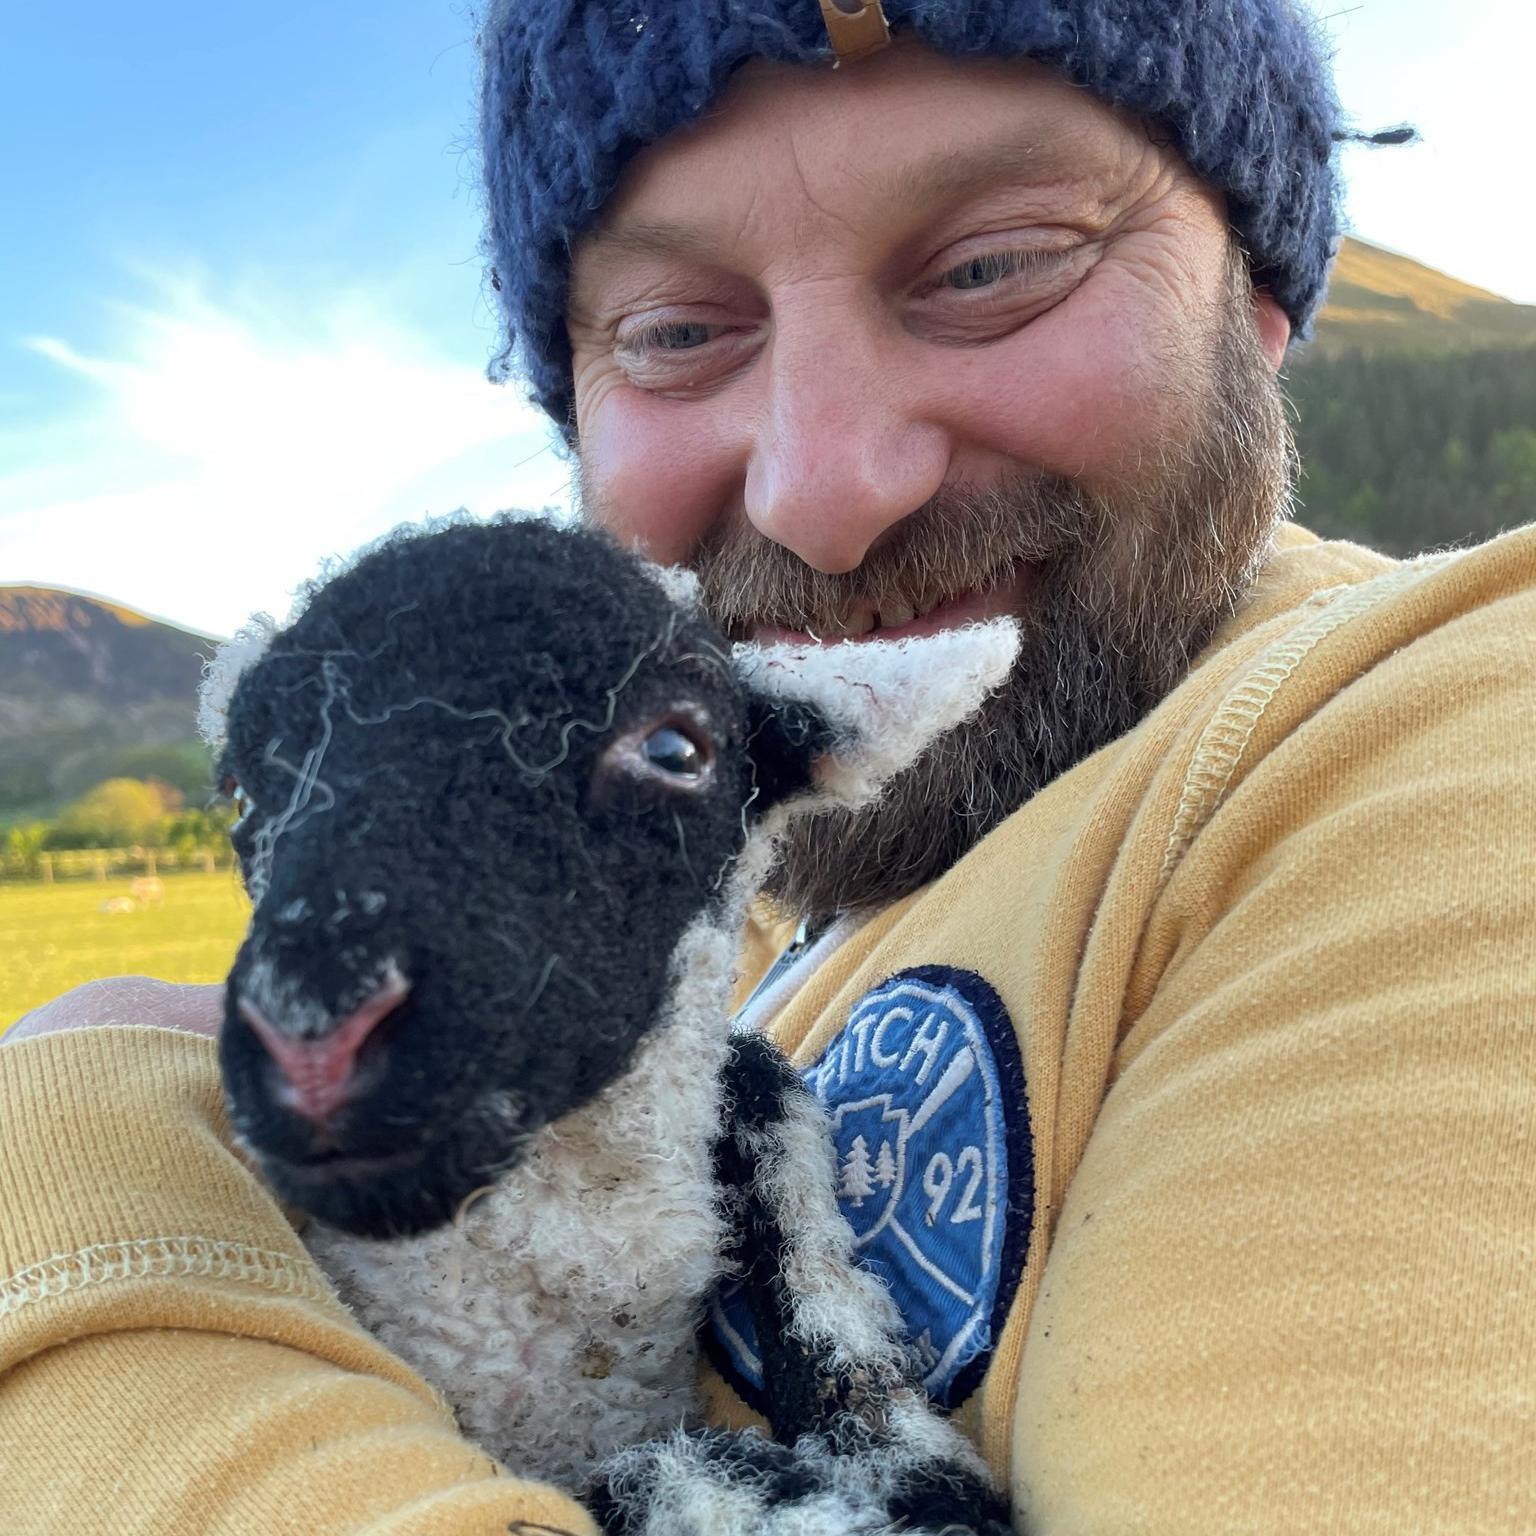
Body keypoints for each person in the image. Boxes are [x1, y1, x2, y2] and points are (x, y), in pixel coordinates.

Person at [4, 2, 1533, 1531]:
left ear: (1255, 306)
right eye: (677, 333)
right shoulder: (718, 892)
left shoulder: (1456, 746)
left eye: (994, 266)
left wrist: (86, 1220)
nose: (826, 493)